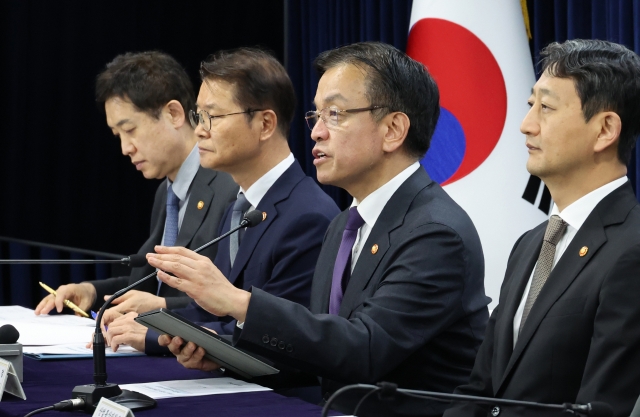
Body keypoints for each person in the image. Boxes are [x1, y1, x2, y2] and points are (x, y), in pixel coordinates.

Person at [148, 42, 490, 417]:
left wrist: (236, 301)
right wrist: (224, 353)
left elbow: (364, 350)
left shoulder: (436, 233)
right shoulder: (345, 224)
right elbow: (317, 355)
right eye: (317, 115)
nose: (316, 132)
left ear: (393, 129)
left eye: (336, 113)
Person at [443, 39, 640, 417]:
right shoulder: (531, 243)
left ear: (605, 130)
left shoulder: (631, 251)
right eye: (530, 104)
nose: (525, 124)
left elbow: (599, 408)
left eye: (545, 108)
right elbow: (481, 388)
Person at [102, 48, 339, 356]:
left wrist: (153, 335)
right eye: (198, 117)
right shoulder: (239, 208)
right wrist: (149, 323)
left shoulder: (308, 216)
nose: (199, 130)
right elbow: (215, 314)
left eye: (211, 117)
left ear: (265, 124)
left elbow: (280, 338)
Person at [34, 51, 238, 317]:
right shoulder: (167, 192)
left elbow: (232, 300)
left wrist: (162, 309)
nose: (125, 148)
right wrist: (91, 291)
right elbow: (152, 285)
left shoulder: (230, 188)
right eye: (117, 135)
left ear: (174, 114)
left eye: (130, 130)